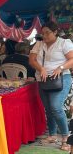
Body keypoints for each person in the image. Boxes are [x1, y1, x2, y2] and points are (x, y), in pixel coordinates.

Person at [29, 21, 73, 151]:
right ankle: (52, 134)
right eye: (42, 33)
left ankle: (66, 136)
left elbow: (72, 59)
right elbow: (31, 60)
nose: (45, 36)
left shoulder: (64, 43)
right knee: (48, 108)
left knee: (55, 106)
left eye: (47, 33)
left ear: (55, 32)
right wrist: (41, 68)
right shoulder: (39, 44)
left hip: (61, 79)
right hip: (43, 80)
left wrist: (60, 67)